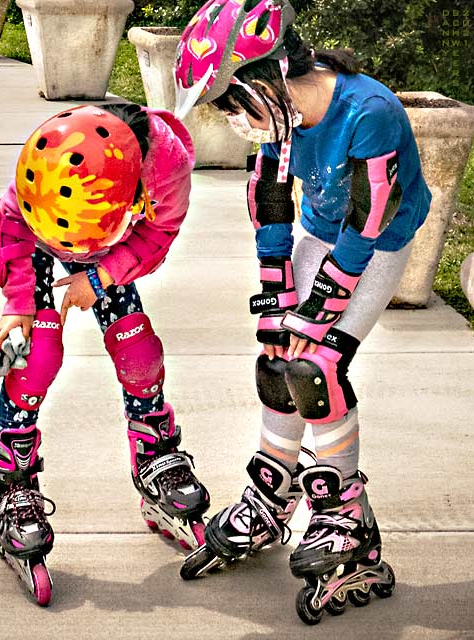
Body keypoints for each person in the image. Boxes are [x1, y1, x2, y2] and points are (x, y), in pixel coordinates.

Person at [174, 0, 431, 624]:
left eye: (234, 103)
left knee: (317, 366)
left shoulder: (370, 113)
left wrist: (316, 313)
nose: (236, 121)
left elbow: (364, 226)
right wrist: (276, 300)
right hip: (319, 231)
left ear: (267, 76)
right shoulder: (279, 122)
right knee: (278, 359)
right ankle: (271, 493)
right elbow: (269, 204)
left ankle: (346, 516)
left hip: (375, 241)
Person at [0, 102, 210, 605]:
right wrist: (18, 302)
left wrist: (100, 277)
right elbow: (11, 230)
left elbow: (158, 234)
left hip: (109, 244)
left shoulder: (166, 172)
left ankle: (156, 457)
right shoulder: (48, 166)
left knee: (137, 348)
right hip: (42, 239)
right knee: (36, 357)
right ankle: (11, 485)